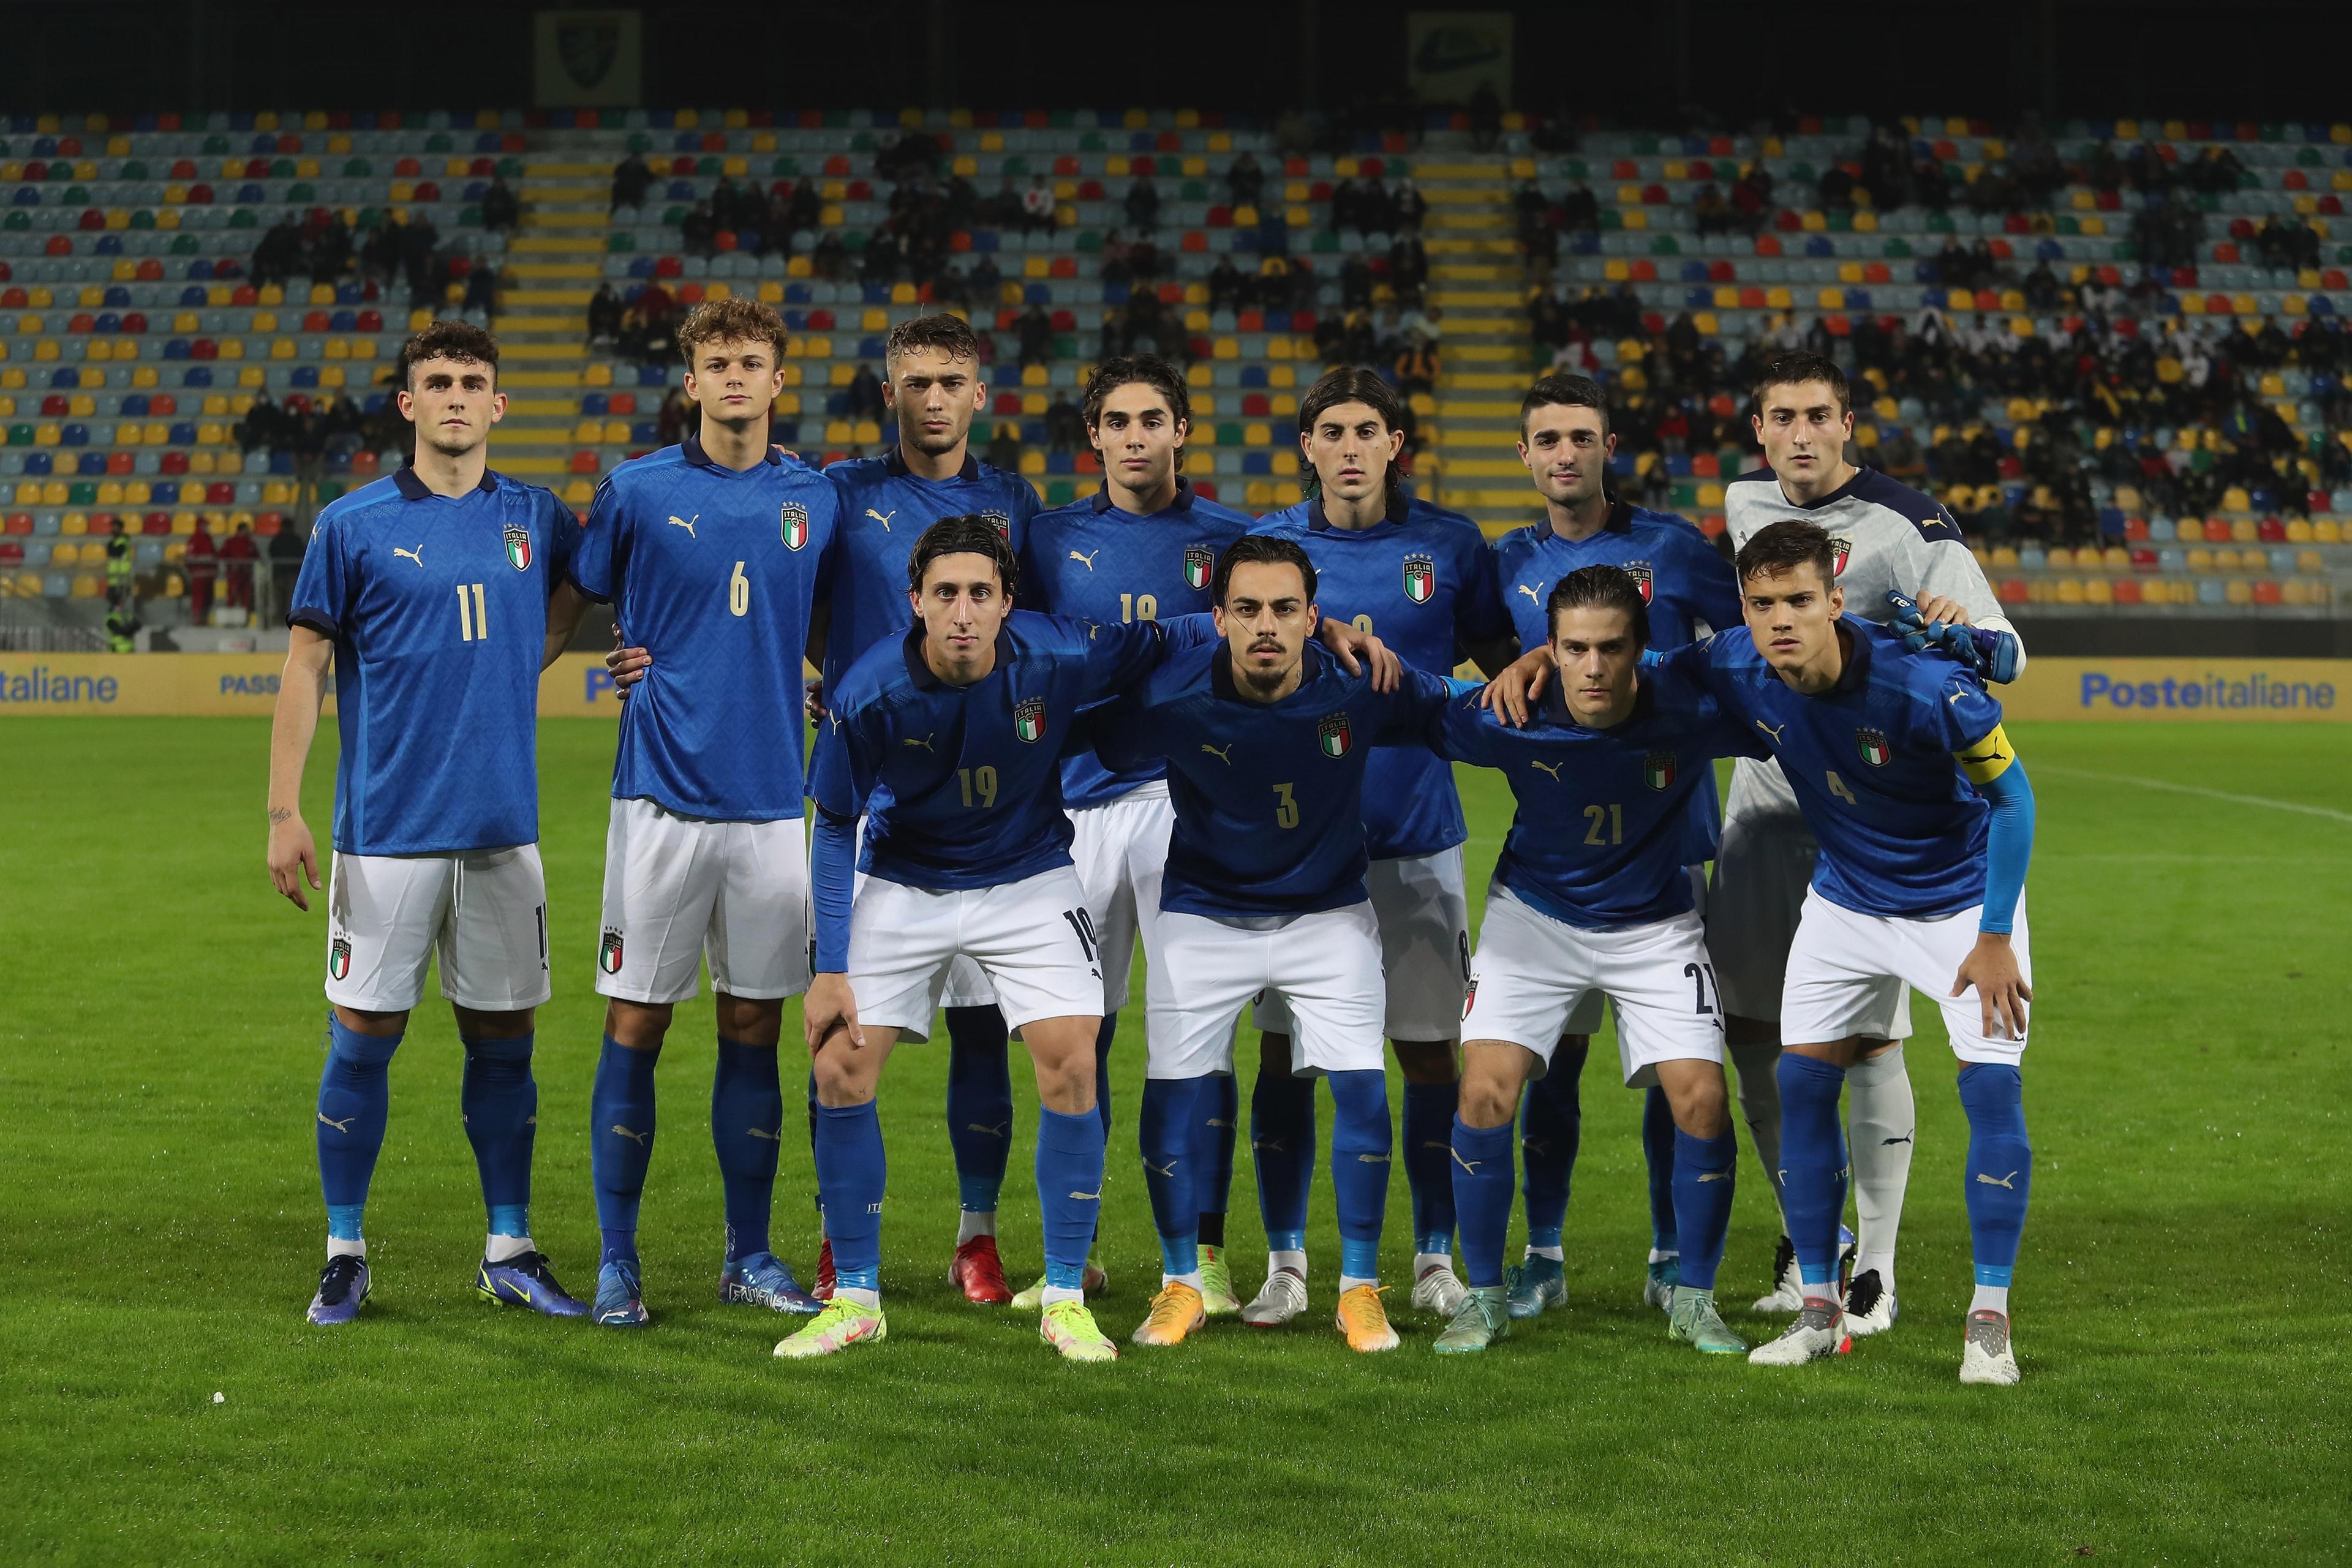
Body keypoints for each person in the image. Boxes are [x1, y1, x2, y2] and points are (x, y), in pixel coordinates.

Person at [783, 518, 1191, 1363]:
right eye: (945, 594)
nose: (962, 612)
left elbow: (1165, 637)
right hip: (904, 878)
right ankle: (856, 1296)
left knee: (1074, 1061)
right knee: (839, 1065)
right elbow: (833, 827)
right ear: (915, 603)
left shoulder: (1060, 652)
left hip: (1030, 875)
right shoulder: (868, 693)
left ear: (1008, 601)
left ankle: (1067, 1298)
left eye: (979, 593)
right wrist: (829, 968)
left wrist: (1243, 621)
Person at [265, 320, 592, 1326]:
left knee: (505, 1046)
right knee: (363, 1040)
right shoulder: (351, 524)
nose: (456, 396)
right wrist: (284, 808)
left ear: (499, 404)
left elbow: (582, 591)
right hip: (385, 832)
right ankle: (345, 1250)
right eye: (437, 382)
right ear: (408, 404)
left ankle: (509, 1246)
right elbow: (306, 667)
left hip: (503, 831)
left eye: (474, 381)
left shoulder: (537, 517)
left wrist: (517, 664)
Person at [1681, 520, 2036, 1385]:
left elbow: (2014, 802)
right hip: (1845, 901)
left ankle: (1988, 1323)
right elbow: (1641, 676)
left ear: (1836, 602)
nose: (1781, 621)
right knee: (1800, 1085)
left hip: (1958, 906)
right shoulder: (1736, 664)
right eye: (1762, 604)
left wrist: (1994, 938)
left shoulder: (1928, 687)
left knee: (1990, 1088)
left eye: (1800, 600)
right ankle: (1817, 1308)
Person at [1718, 351, 2024, 1335]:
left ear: (1848, 423)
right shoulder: (1738, 504)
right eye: (1781, 418)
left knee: (1872, 1038)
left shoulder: (1912, 523)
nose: (1800, 434)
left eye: (1818, 415)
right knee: (1761, 1034)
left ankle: (1875, 1268)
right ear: (1757, 431)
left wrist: (1960, 631)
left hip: (1888, 806)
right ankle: (1812, 1241)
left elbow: (2005, 655)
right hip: (1772, 795)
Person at [1092, 535, 1445, 1352]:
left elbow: (1458, 709)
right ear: (1216, 619)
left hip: (1326, 915)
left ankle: (1359, 1290)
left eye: (1285, 609)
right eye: (1246, 609)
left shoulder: (1360, 686)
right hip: (1204, 913)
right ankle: (1181, 1283)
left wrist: (1536, 678)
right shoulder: (1173, 697)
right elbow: (1081, 737)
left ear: (1313, 619)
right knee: (1172, 1094)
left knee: (1361, 1090)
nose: (1266, 625)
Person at [568, 298, 843, 1330]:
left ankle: (750, 1254)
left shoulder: (815, 500)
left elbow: (830, 621)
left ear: (781, 382)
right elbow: (588, 592)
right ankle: (617, 1263)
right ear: (690, 382)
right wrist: (616, 655)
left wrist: (829, 682)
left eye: (754, 362)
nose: (736, 377)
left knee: (753, 1028)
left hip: (776, 803)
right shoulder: (635, 490)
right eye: (718, 362)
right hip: (660, 802)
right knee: (634, 1023)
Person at [1240, 368, 1515, 1327]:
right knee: (1285, 1061)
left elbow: (1505, 667)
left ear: (1398, 443)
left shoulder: (1450, 545)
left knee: (1430, 1054)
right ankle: (1286, 1263)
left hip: (1416, 837)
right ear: (1306, 446)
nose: (1350, 447)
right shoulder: (1268, 553)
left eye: (1368, 430)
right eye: (1331, 431)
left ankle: (1433, 1259)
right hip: (1301, 848)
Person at [1429, 565, 1760, 1355]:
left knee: (1703, 1100)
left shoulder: (1691, 704)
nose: (1593, 667)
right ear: (1549, 650)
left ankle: (1693, 1297)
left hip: (1655, 924)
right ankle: (1482, 1295)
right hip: (1534, 918)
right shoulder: (1512, 710)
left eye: (1611, 649)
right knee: (1483, 1091)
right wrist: (1336, 638)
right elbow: (1404, 701)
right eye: (1573, 648)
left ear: (1642, 651)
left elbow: (1791, 675)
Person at [1491, 374, 1744, 1319]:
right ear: (1525, 454)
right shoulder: (1503, 560)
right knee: (1549, 1066)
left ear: (1609, 445)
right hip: (1555, 857)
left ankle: (1672, 1254)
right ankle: (1545, 1252)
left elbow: (1743, 639)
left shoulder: (1676, 551)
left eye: (1582, 437)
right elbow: (1499, 671)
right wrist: (1519, 662)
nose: (1566, 454)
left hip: (1670, 849)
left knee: (1674, 1062)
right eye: (1548, 438)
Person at [1012, 355, 1257, 1311]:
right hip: (1070, 812)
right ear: (1096, 438)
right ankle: (1075, 1258)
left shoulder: (1233, 540)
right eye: (1117, 421)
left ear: (1182, 430)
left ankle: (1203, 1256)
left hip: (1186, 802)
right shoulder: (1048, 539)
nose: (1135, 437)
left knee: (1196, 1035)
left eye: (1152, 419)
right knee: (1078, 1036)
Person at [813, 314, 1042, 1304]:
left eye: (953, 380)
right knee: (842, 1026)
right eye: (917, 382)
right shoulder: (839, 493)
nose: (935, 398)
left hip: (982, 804)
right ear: (890, 394)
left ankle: (976, 1238)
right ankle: (838, 1241)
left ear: (978, 395)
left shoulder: (1014, 502)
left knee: (983, 1030)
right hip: (861, 798)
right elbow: (775, 594)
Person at [221, 521, 259, 614]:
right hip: (234, 574)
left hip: (246, 574)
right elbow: (222, 555)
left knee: (246, 596)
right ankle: (229, 617)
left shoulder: (250, 543)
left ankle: (244, 617)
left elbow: (256, 556)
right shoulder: (231, 542)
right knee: (232, 595)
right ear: (242, 530)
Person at [185, 519, 217, 623]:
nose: (208, 527)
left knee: (209, 599)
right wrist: (205, 559)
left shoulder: (208, 538)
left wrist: (214, 569)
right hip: (199, 574)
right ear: (200, 526)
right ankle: (196, 620)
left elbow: (213, 555)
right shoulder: (195, 539)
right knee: (199, 598)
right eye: (206, 525)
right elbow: (190, 557)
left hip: (209, 575)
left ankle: (205, 620)